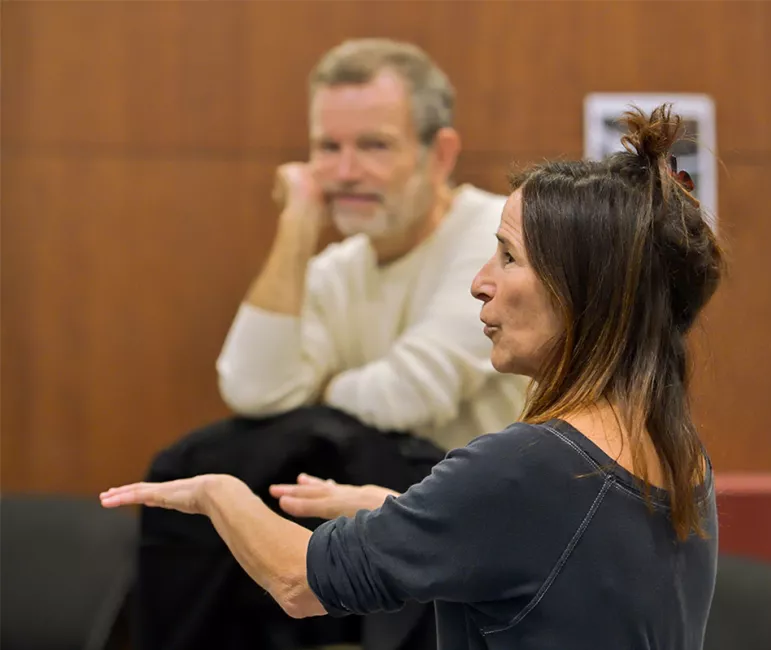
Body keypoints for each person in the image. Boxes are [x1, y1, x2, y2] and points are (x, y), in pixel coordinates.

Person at [104, 103, 725, 649]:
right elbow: (547, 547)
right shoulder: (678, 454)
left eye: (509, 257)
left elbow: (298, 580)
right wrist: (399, 510)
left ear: (583, 294)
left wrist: (219, 493)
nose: (481, 281)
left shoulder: (531, 465)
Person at [133, 38, 527, 650]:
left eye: (373, 146)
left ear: (439, 154)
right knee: (220, 465)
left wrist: (315, 391)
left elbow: (407, 395)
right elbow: (252, 390)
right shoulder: (337, 267)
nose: (344, 172)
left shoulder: (493, 238)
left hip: (488, 553)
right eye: (328, 148)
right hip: (382, 545)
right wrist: (297, 226)